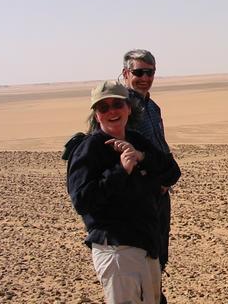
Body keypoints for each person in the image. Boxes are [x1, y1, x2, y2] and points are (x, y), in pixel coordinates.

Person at [68, 81, 181, 304]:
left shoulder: (137, 141)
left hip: (146, 245)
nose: (112, 112)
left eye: (117, 105)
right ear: (97, 115)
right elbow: (82, 200)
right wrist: (121, 170)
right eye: (104, 107)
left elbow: (172, 173)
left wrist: (142, 157)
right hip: (117, 249)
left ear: (128, 108)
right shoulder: (89, 149)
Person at [120, 50, 174, 278]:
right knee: (143, 254)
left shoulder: (152, 107)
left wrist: (167, 178)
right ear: (126, 73)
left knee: (159, 252)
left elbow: (159, 145)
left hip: (161, 192)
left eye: (149, 72)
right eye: (138, 72)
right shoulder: (121, 109)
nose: (145, 78)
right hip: (141, 193)